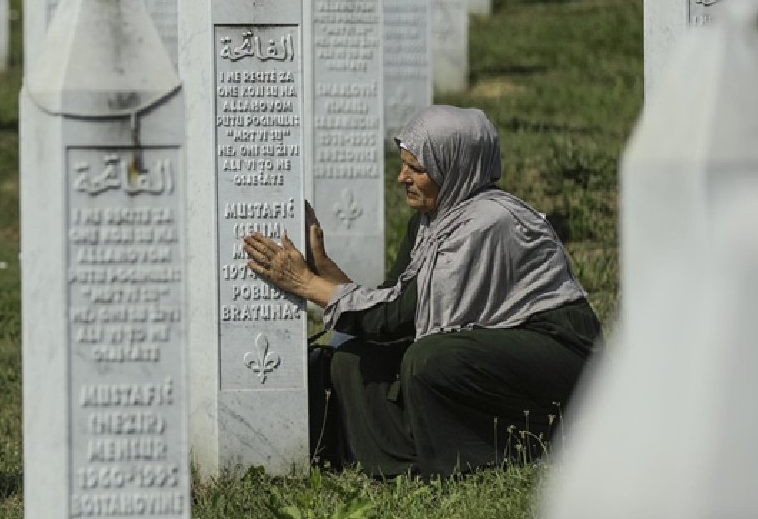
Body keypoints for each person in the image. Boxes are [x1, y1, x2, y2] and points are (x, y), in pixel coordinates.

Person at [243, 105, 602, 478]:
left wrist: (306, 283)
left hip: (556, 354)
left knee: (430, 359)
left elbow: (398, 316)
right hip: (494, 344)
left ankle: (525, 444)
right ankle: (399, 461)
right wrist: (322, 267)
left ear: (452, 167)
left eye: (416, 169)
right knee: (353, 357)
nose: (402, 178)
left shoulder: (488, 224)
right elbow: (389, 304)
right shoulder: (433, 222)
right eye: (404, 166)